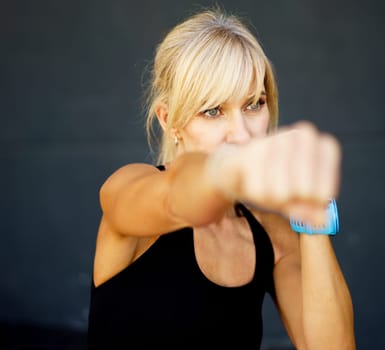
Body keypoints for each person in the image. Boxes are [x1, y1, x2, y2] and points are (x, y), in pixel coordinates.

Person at [88, 7, 356, 350]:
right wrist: (231, 172)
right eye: (213, 111)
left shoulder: (272, 235)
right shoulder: (128, 189)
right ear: (170, 120)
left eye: (253, 104)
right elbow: (177, 198)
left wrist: (313, 208)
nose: (242, 135)